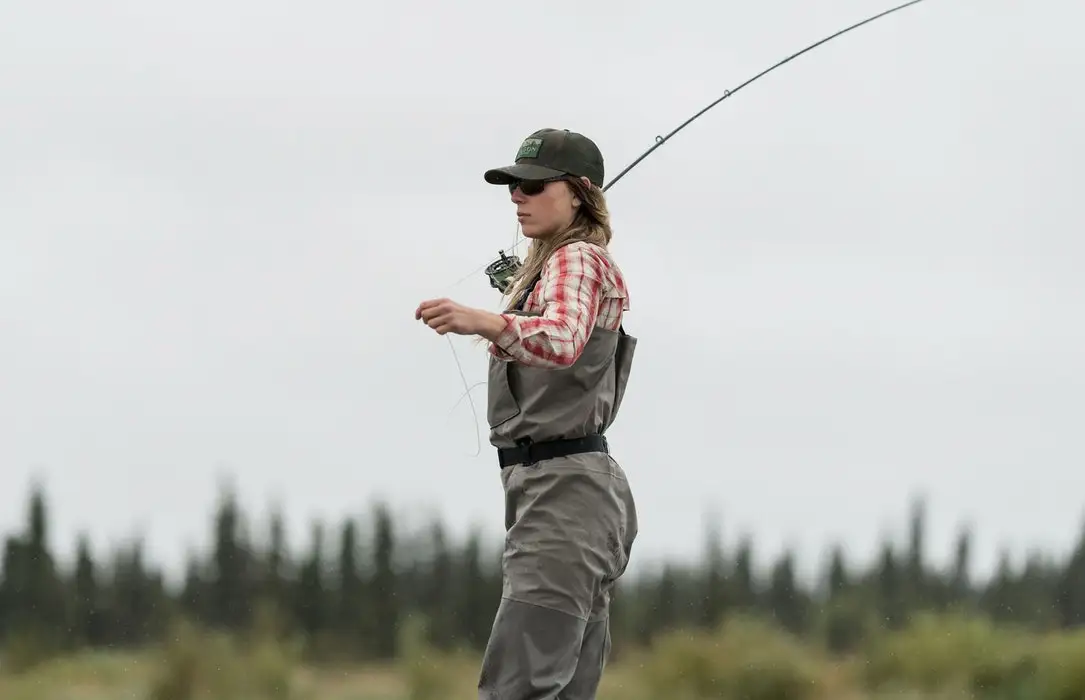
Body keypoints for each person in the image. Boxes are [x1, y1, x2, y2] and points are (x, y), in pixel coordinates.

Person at [415, 127, 638, 700]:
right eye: (515, 185)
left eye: (536, 186)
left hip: (563, 497)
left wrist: (485, 320)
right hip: (572, 494)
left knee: (516, 689)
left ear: (580, 193)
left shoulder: (579, 258)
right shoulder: (564, 263)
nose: (519, 195)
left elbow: (563, 338)